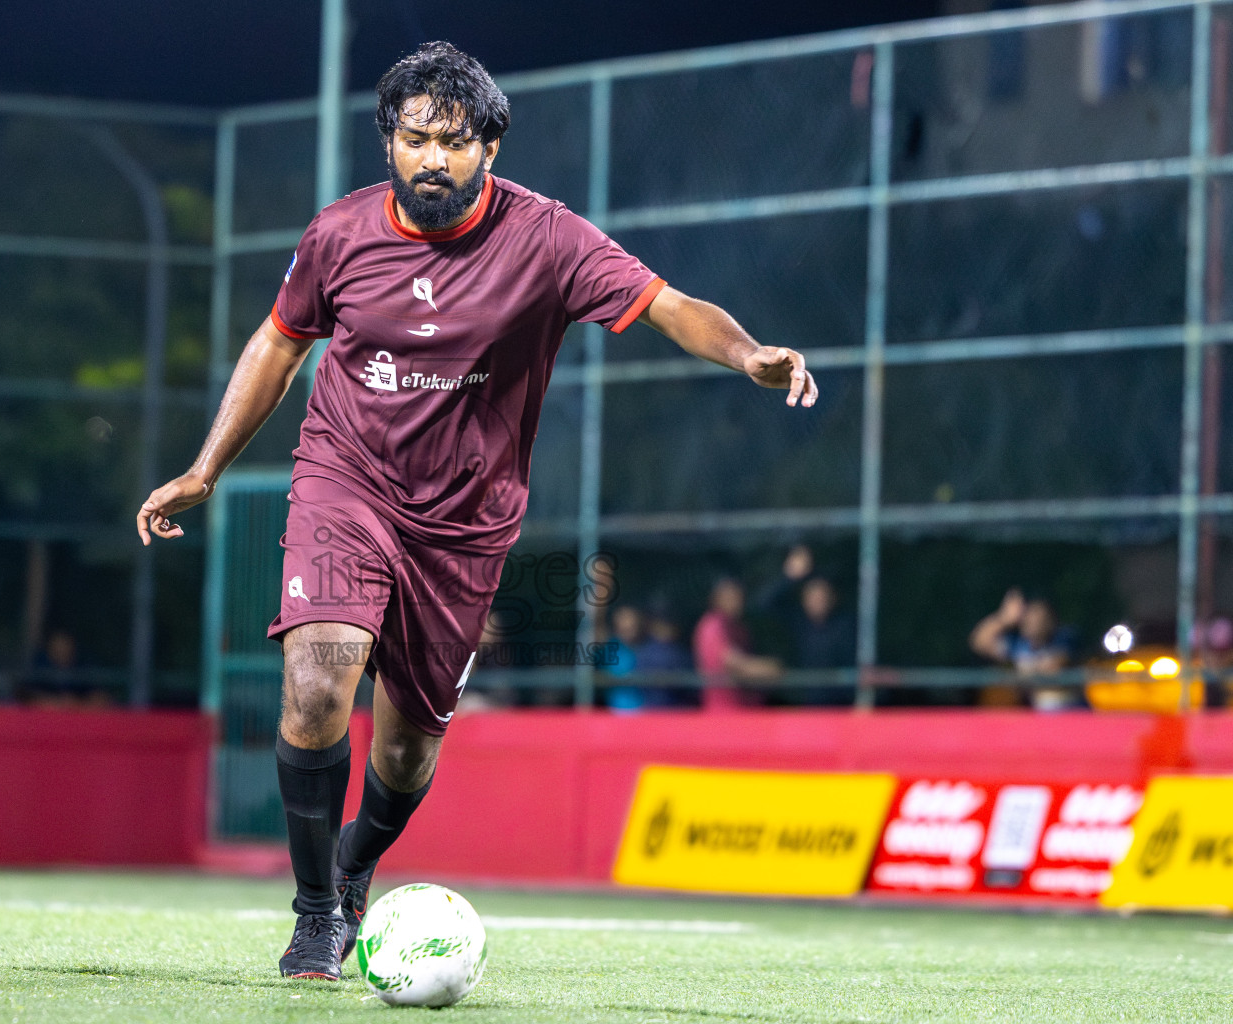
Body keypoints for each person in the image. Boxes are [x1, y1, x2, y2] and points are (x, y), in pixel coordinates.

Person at [135, 41, 818, 981]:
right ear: (387, 143)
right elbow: (278, 344)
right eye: (414, 138)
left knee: (410, 752)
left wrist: (747, 355)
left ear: (490, 148)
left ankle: (353, 868)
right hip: (346, 482)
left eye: (454, 141)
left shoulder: (546, 238)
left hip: (463, 526)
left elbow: (667, 305)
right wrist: (205, 469)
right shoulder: (338, 235)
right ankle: (314, 917)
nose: (432, 159)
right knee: (316, 681)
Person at [759, 546, 856, 704]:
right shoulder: (800, 622)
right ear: (804, 599)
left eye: (822, 595)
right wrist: (790, 577)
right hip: (809, 706)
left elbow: (855, 666)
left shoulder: (845, 625)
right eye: (812, 595)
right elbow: (765, 604)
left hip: (842, 708)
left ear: (832, 598)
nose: (818, 600)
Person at [969, 588, 1078, 710]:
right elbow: (979, 643)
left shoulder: (1063, 639)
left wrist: (1020, 673)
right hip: (1026, 714)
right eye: (1028, 614)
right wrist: (1004, 618)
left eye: (1037, 613)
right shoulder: (1017, 644)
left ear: (1050, 619)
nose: (1031, 620)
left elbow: (1054, 667)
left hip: (1064, 713)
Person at [692, 577, 781, 709]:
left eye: (738, 597)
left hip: (748, 710)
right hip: (724, 714)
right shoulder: (712, 625)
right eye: (729, 597)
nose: (736, 602)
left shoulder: (739, 627)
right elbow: (735, 664)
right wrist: (770, 668)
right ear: (716, 599)